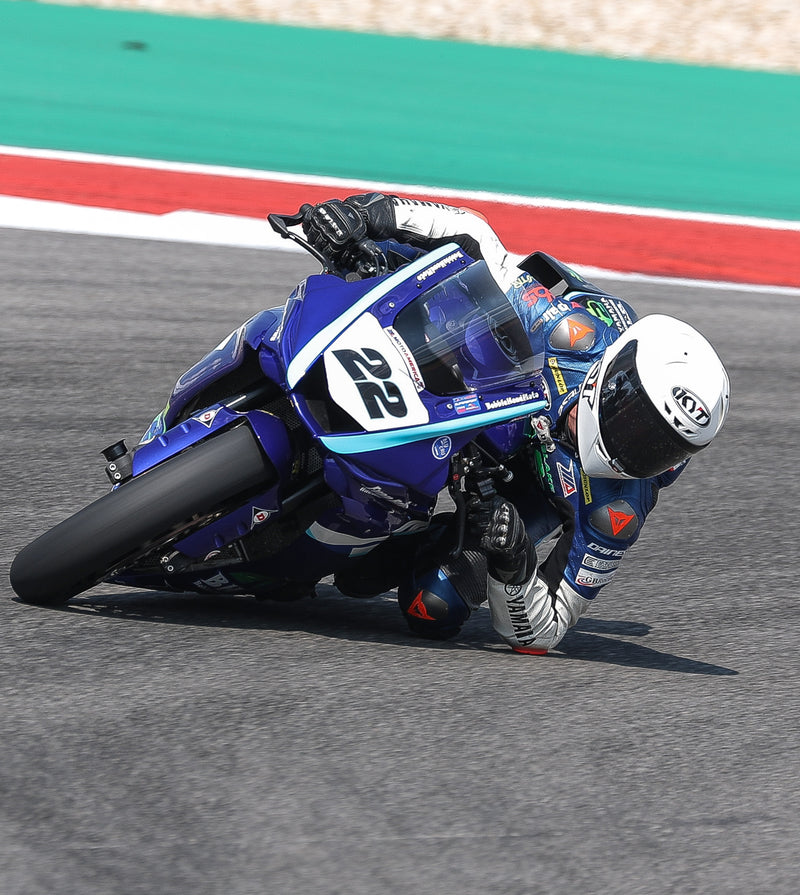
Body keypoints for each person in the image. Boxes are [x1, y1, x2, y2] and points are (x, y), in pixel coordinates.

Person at [300, 194, 730, 655]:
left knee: (431, 607)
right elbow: (475, 236)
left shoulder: (617, 511)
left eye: (661, 447)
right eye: (636, 419)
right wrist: (368, 215)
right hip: (482, 380)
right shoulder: (570, 333)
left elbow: (546, 631)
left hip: (516, 485)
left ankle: (404, 533)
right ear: (614, 375)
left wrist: (515, 563)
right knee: (405, 267)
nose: (636, 449)